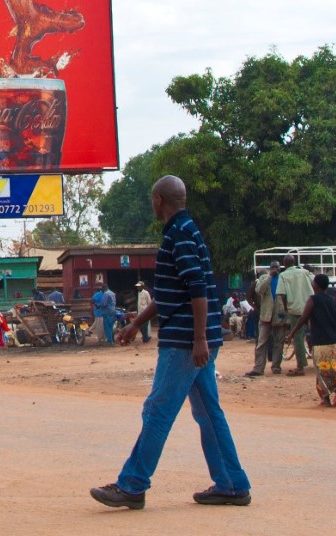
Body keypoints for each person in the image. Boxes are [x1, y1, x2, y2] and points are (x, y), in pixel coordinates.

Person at [91, 175, 250, 511]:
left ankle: (132, 484)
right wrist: (136, 323)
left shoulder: (178, 235)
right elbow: (169, 295)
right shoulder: (187, 231)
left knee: (158, 410)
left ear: (158, 200)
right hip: (196, 341)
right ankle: (232, 485)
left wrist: (198, 339)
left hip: (184, 343)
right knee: (208, 413)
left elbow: (196, 289)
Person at [286, 273, 336, 406]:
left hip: (321, 342)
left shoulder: (313, 300)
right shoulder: (333, 301)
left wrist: (291, 334)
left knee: (322, 371)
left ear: (316, 285)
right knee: (333, 370)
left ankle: (333, 392)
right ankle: (329, 395)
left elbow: (303, 318)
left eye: (313, 282)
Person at [274, 255, 313, 376]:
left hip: (294, 308)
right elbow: (315, 283)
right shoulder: (305, 272)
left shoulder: (283, 275)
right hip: (310, 306)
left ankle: (301, 366)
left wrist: (286, 308)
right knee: (316, 333)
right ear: (294, 262)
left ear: (284, 264)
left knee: (298, 336)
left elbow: (282, 294)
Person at [245, 264, 282, 377]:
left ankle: (276, 367)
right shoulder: (263, 278)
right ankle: (258, 368)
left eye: (277, 267)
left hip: (279, 314)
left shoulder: (283, 279)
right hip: (265, 314)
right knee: (261, 342)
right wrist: (269, 276)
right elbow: (259, 290)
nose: (275, 269)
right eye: (273, 267)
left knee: (278, 342)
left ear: (279, 268)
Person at [92, 281, 117, 345]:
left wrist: (98, 305)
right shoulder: (112, 293)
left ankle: (110, 341)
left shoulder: (106, 294)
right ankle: (112, 340)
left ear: (103, 288)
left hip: (107, 312)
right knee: (111, 326)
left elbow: (104, 304)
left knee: (107, 327)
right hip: (113, 311)